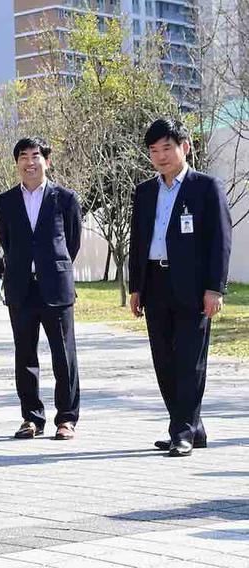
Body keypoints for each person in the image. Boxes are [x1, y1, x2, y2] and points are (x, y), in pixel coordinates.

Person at [128, 118, 232, 458]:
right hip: (155, 284)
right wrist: (136, 287)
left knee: (190, 360)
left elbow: (220, 242)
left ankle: (182, 431)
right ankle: (189, 426)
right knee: (164, 361)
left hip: (192, 287)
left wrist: (214, 289)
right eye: (154, 151)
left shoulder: (206, 187)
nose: (161, 157)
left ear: (184, 147)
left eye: (167, 148)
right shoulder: (144, 192)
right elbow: (138, 242)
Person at [0, 137, 82, 441]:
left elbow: (71, 243)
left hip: (56, 288)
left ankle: (67, 418)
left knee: (64, 356)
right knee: (25, 356)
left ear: (47, 160)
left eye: (35, 156)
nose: (29, 162)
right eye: (23, 157)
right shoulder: (4, 202)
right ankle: (32, 418)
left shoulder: (66, 198)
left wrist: (51, 267)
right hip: (21, 288)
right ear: (16, 162)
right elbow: (7, 243)